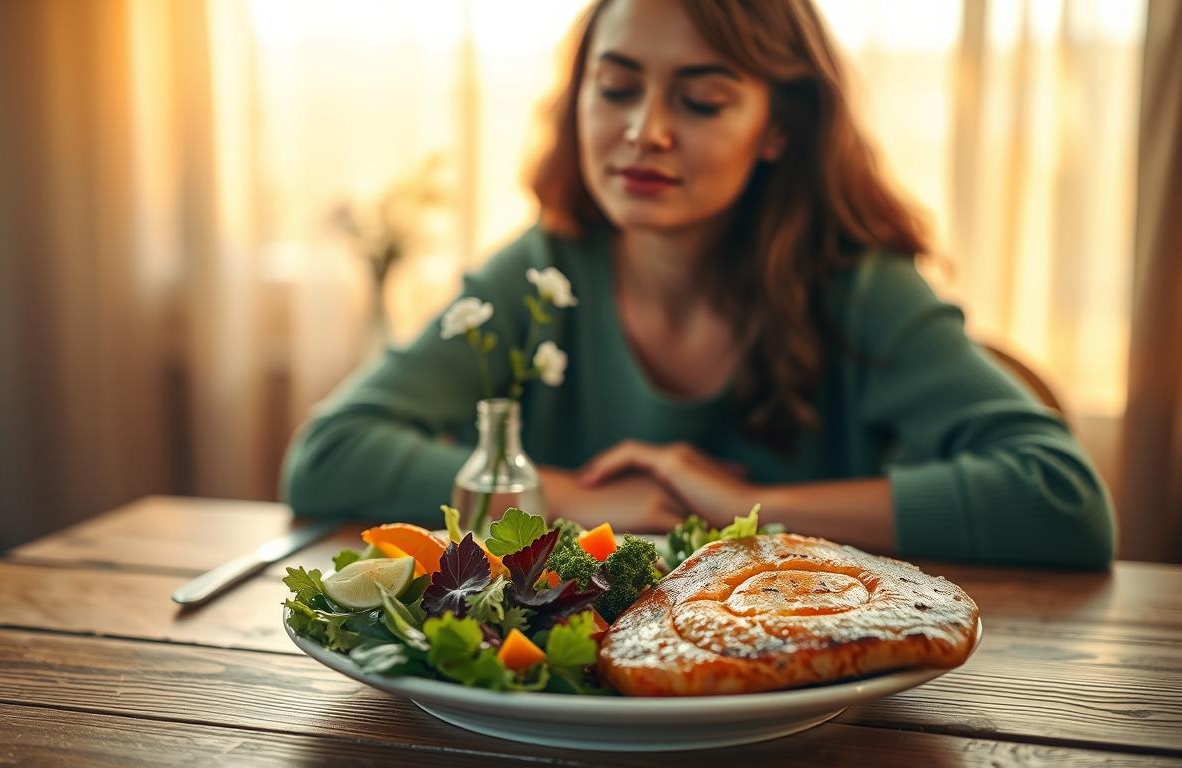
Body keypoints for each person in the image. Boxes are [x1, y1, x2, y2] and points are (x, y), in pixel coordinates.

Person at [281, 0, 1115, 568]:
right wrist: (577, 500)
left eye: (703, 101)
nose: (644, 133)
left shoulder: (862, 290)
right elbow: (327, 456)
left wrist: (750, 504)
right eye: (615, 90)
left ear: (778, 129)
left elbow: (1063, 500)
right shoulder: (538, 272)